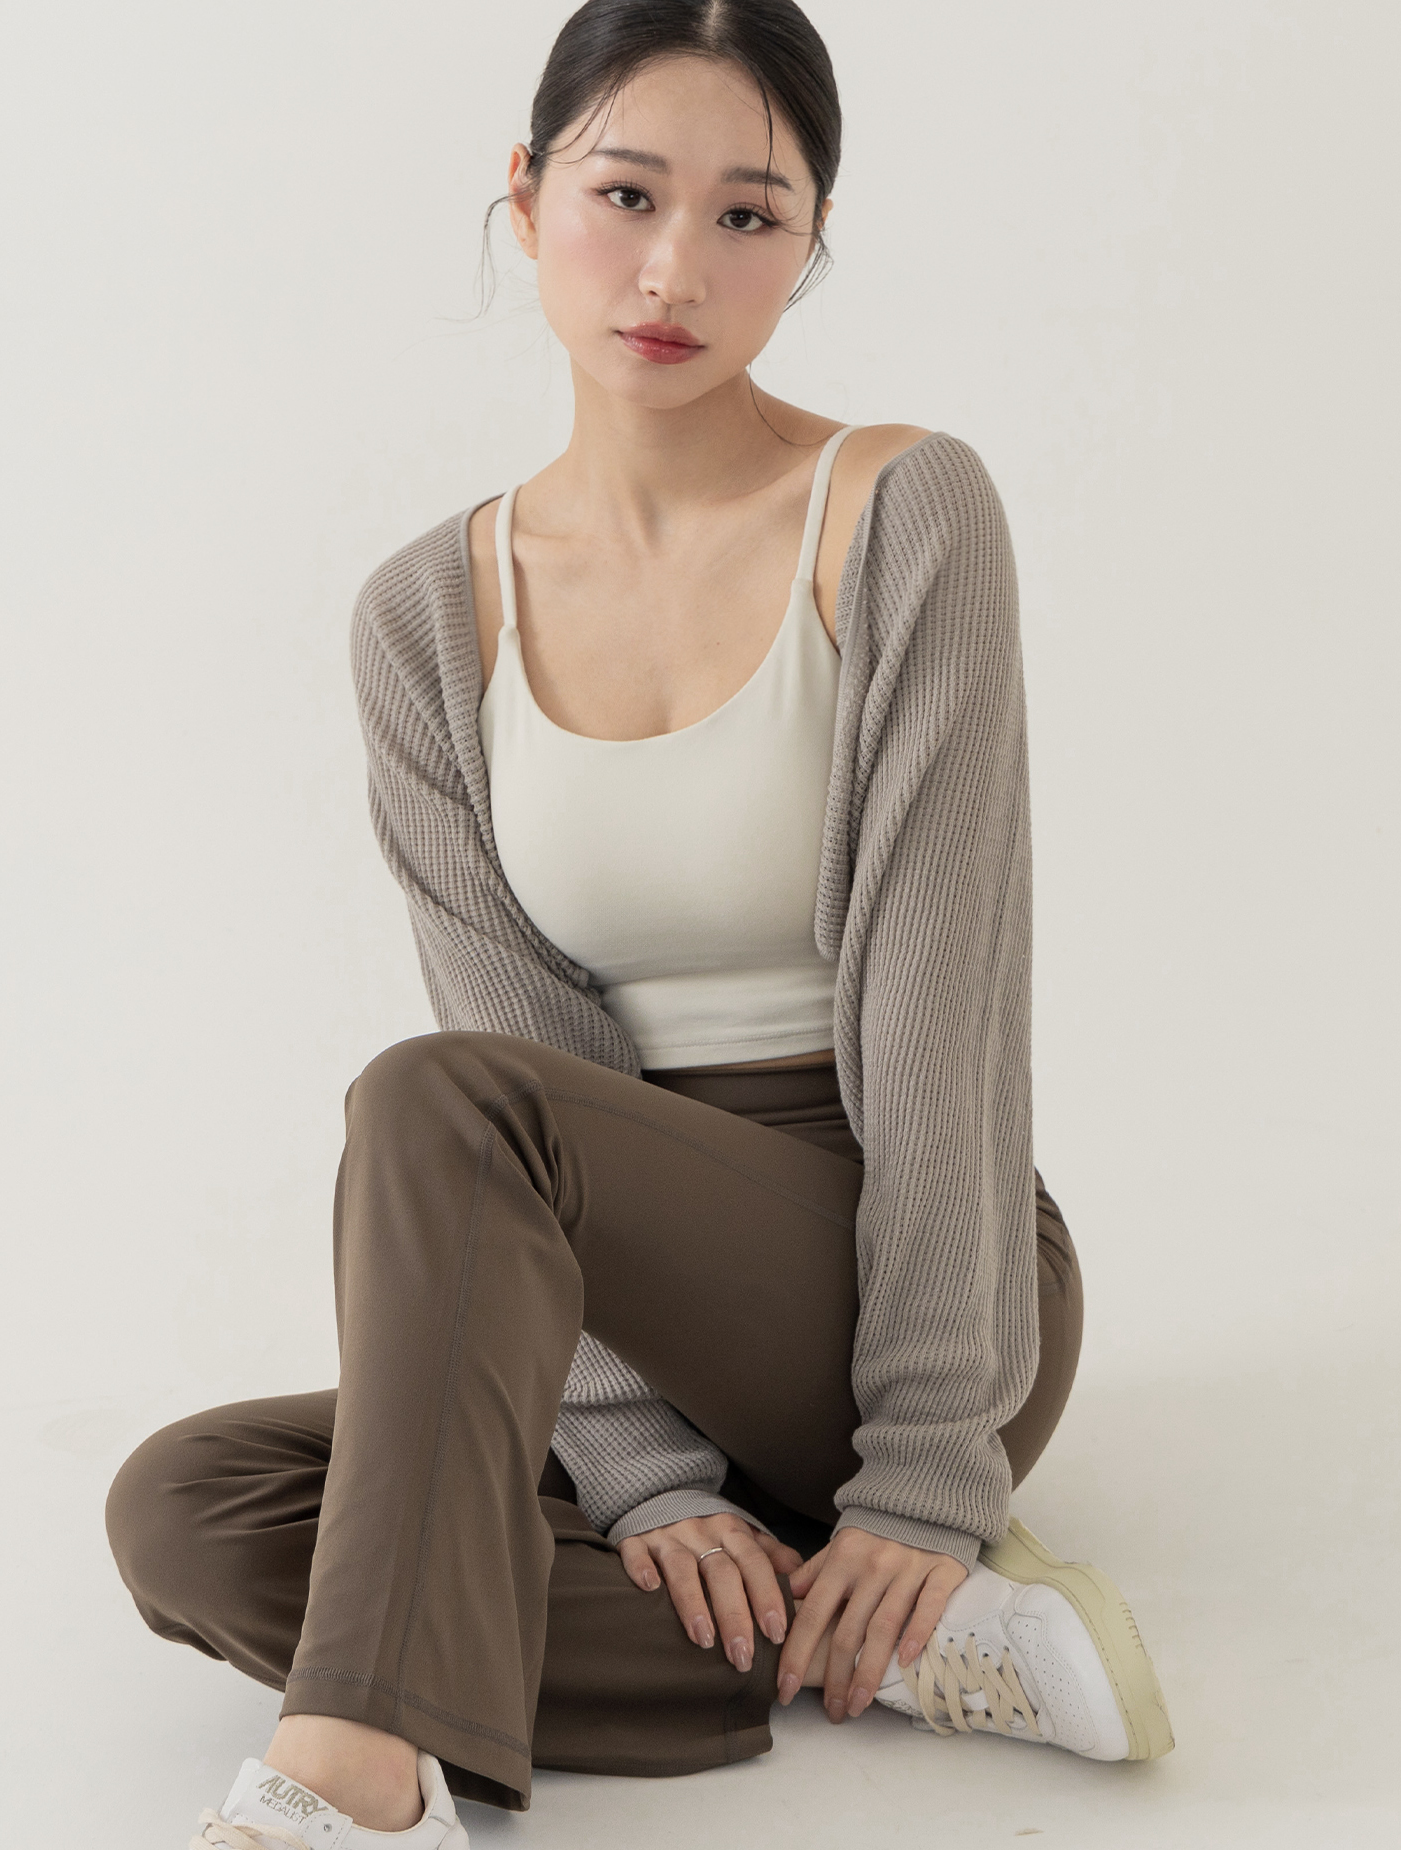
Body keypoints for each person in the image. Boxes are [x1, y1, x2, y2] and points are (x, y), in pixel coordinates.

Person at [105, 4, 1174, 1845]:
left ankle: (359, 1773)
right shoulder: (424, 618)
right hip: (588, 1280)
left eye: (748, 215)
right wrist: (643, 1471)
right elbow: (526, 1049)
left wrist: (925, 1472)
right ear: (526, 201)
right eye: (624, 195)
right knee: (188, 1508)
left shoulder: (898, 512)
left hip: (902, 1267)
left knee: (441, 1094)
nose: (675, 268)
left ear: (808, 245)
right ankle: (863, 1647)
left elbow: (942, 1016)